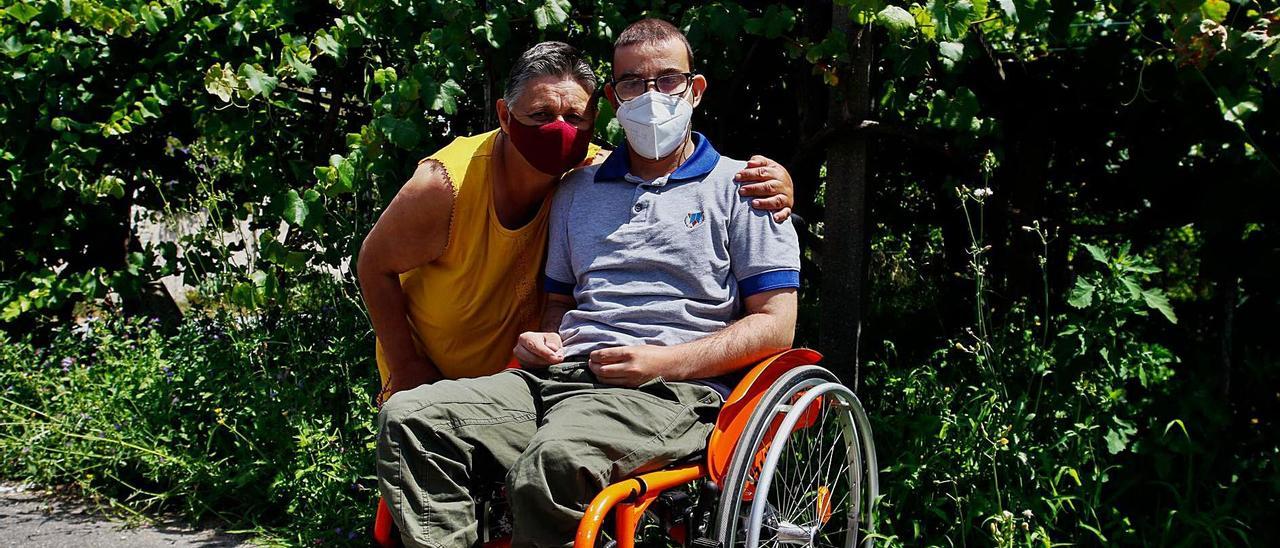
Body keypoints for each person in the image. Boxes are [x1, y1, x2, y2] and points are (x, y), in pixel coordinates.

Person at [376, 19, 801, 548]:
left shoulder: (747, 190)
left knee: (554, 463)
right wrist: (546, 336)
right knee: (412, 417)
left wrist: (661, 362)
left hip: (668, 391)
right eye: (632, 83)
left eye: (667, 80)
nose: (651, 96)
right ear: (612, 98)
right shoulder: (577, 188)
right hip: (559, 379)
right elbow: (559, 302)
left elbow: (776, 327)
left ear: (696, 89)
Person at [357, 41, 798, 401]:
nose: (560, 130)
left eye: (574, 118)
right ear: (505, 118)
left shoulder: (590, 174)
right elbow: (372, 265)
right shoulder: (445, 186)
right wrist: (408, 367)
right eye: (541, 116)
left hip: (528, 371)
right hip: (434, 369)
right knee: (414, 423)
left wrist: (775, 183)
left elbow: (660, 181)